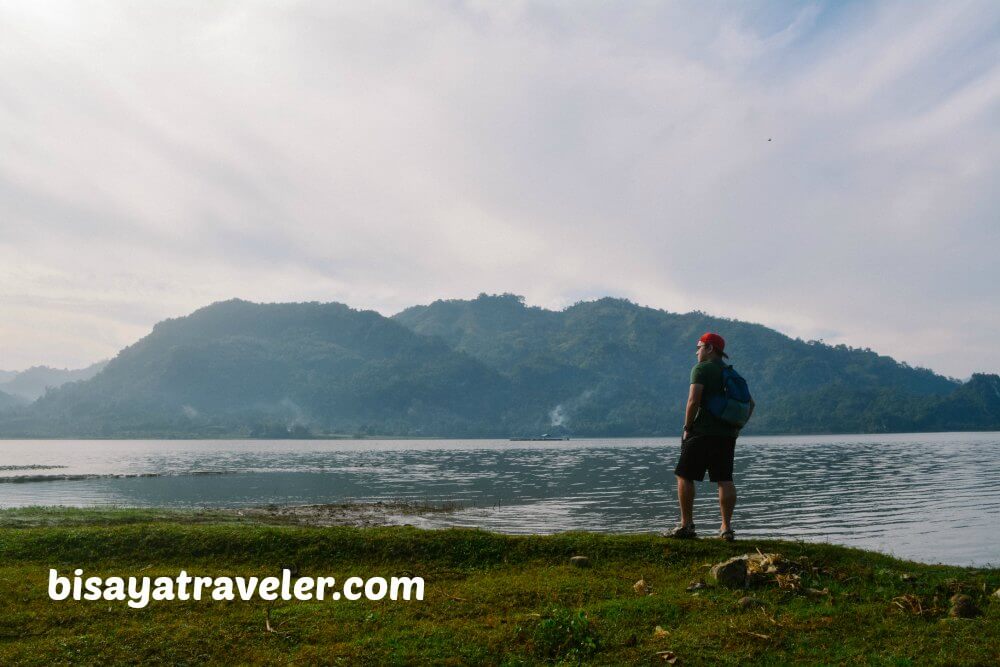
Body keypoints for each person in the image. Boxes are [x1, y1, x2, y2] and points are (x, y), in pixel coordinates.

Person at [665, 332, 753, 541]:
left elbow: (693, 401)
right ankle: (726, 529)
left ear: (710, 348)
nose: (696, 351)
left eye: (699, 347)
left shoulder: (702, 369)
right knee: (725, 479)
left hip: (702, 433)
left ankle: (686, 526)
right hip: (727, 435)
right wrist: (738, 428)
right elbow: (751, 404)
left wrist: (687, 427)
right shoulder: (732, 373)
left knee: (684, 476)